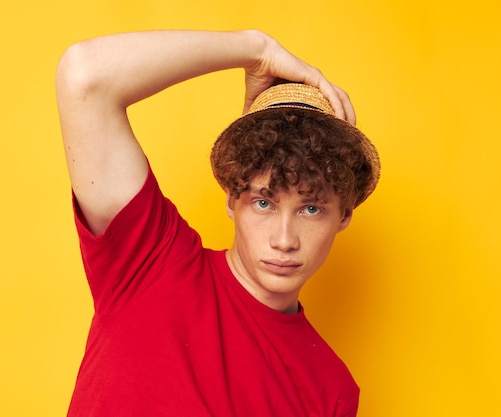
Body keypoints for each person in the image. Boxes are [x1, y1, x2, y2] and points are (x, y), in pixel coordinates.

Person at [56, 29, 380, 417]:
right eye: (264, 202)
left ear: (344, 214)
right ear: (232, 199)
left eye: (311, 209)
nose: (284, 239)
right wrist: (257, 49)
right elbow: (84, 75)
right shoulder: (151, 261)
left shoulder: (332, 390)